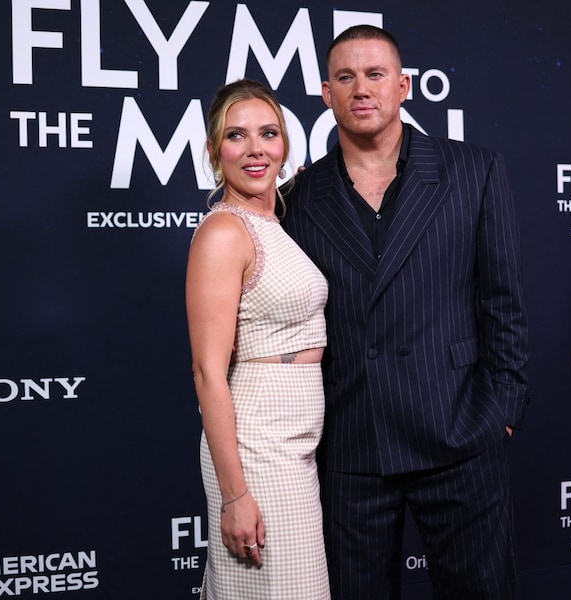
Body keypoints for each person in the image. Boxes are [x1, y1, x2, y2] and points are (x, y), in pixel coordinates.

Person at [282, 25, 531, 599]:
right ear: (325, 92)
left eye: (375, 75)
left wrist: (503, 407)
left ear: (404, 86)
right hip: (351, 441)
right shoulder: (298, 196)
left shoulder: (474, 170)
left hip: (459, 430)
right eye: (345, 77)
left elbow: (503, 300)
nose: (361, 89)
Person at [186, 79, 331, 600]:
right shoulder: (224, 231)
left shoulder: (274, 222)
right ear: (213, 150)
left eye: (268, 133)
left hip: (296, 442)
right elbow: (208, 372)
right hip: (257, 444)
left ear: (285, 144)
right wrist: (234, 496)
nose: (255, 150)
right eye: (236, 136)